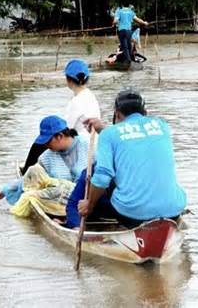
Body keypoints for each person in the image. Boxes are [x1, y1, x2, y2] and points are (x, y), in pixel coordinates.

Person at [69, 88, 187, 229]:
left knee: (94, 171)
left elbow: (102, 178)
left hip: (133, 216)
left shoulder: (110, 135)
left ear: (117, 114)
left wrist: (89, 204)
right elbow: (134, 136)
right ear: (144, 112)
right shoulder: (162, 125)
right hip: (173, 210)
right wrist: (103, 129)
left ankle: (74, 220)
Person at [0, 116, 89, 217]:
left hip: (88, 199)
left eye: (48, 141)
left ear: (60, 136)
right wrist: (3, 191)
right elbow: (31, 178)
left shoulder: (88, 145)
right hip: (62, 201)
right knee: (33, 177)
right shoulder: (46, 157)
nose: (45, 145)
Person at [20, 59, 100, 175]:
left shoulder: (76, 102)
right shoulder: (91, 96)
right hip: (94, 141)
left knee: (39, 144)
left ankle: (27, 172)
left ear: (68, 79)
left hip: (80, 144)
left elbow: (65, 128)